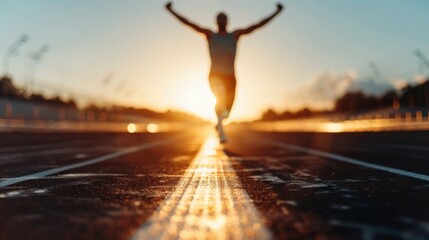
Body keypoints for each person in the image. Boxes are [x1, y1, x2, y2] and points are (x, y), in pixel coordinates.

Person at [165, 2, 284, 143]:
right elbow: (189, 23)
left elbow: (257, 25)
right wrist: (171, 11)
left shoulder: (235, 35)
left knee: (226, 113)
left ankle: (220, 122)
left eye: (224, 18)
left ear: (227, 21)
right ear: (216, 22)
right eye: (219, 18)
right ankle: (221, 132)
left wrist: (277, 12)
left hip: (231, 77)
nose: (222, 20)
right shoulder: (209, 35)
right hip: (215, 75)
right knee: (220, 96)